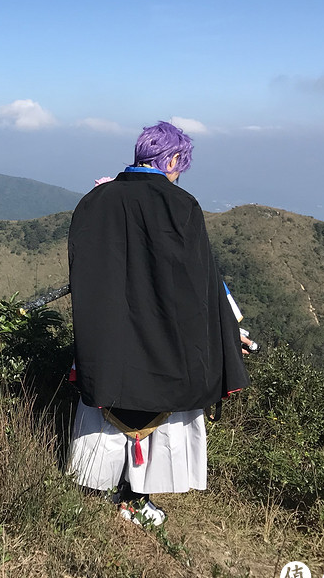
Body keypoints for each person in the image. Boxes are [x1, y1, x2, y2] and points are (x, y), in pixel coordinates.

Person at [66, 121, 251, 527]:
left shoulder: (95, 201)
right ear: (170, 159)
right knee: (160, 412)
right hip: (165, 340)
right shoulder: (181, 206)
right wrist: (226, 328)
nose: (178, 172)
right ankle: (135, 499)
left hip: (109, 336)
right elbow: (200, 282)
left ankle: (91, 493)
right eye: (179, 163)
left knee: (108, 408)